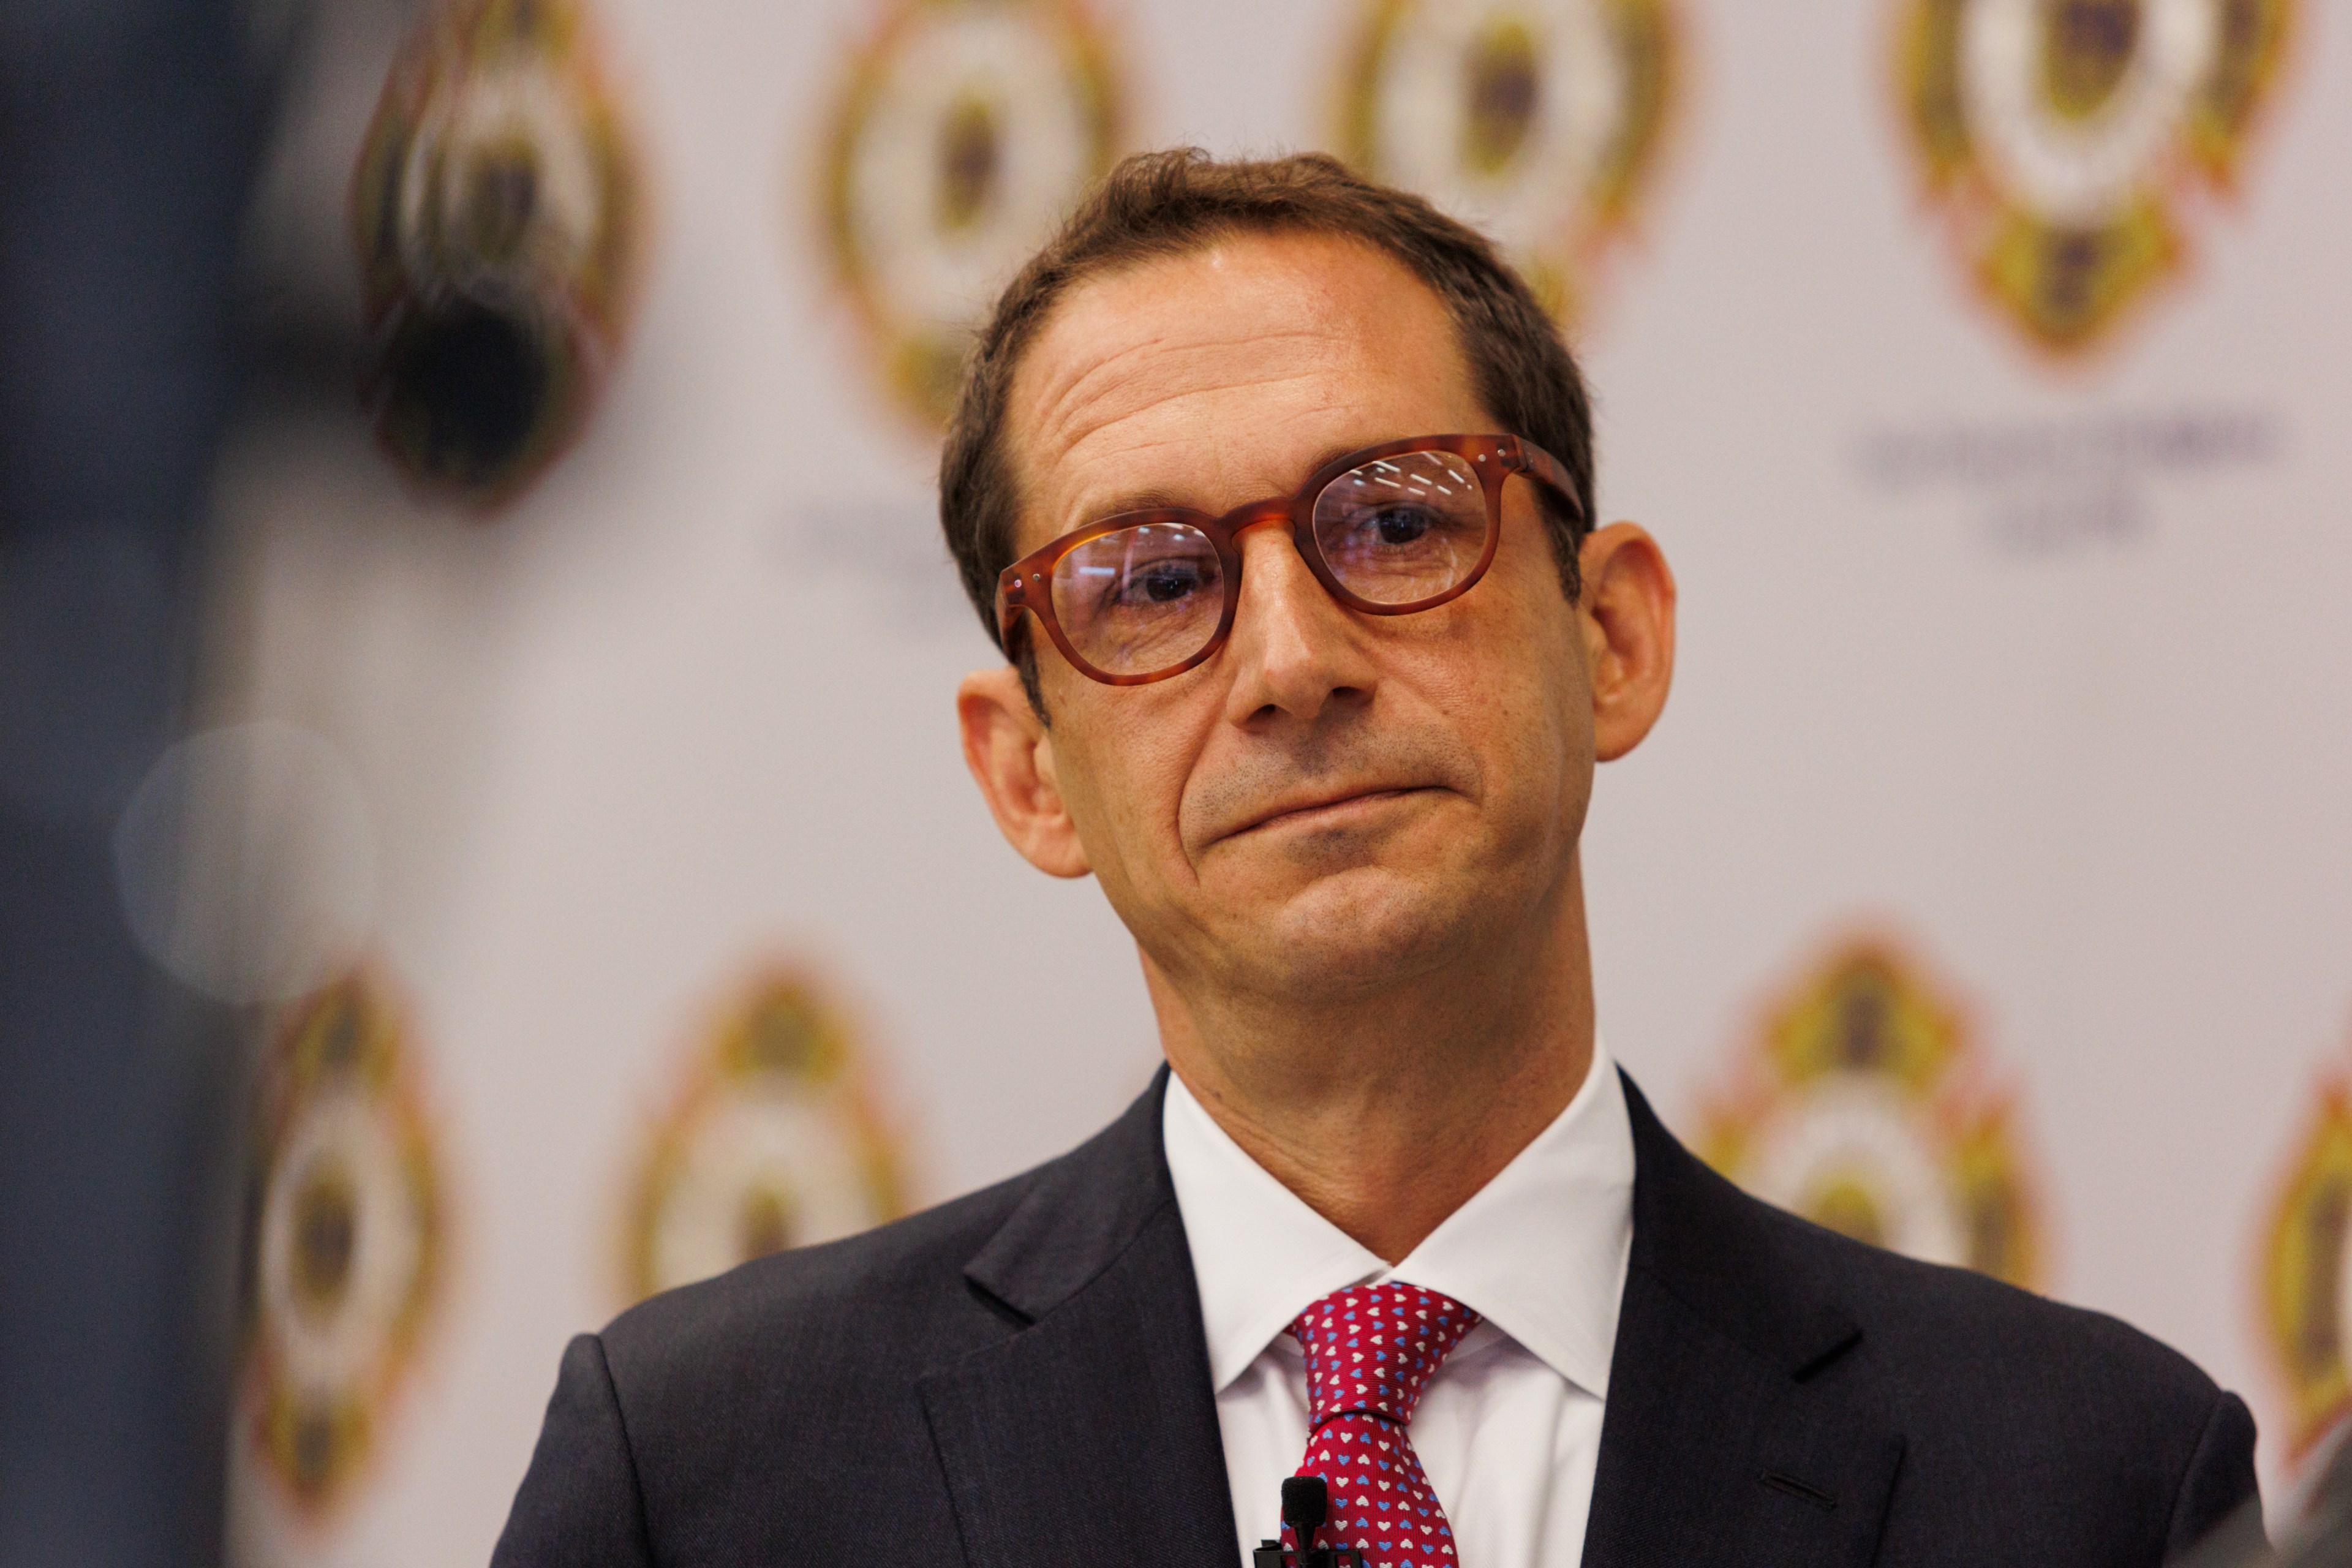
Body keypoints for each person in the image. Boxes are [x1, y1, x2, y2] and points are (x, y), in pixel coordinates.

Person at [492, 149, 2257, 1568]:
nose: (1291, 662)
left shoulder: (2087, 1480)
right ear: (1029, 773)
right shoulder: (708, 1478)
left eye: (1397, 521)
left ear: (1614, 634)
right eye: (1154, 582)